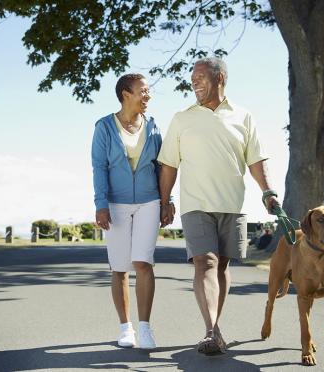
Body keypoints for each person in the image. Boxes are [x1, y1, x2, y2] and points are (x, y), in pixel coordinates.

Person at [158, 57, 279, 355]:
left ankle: (215, 328)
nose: (193, 82)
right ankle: (210, 330)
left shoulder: (243, 116)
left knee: (222, 264)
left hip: (232, 204)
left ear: (220, 77)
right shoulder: (181, 118)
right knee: (206, 262)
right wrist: (165, 201)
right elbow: (169, 165)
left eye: (200, 76)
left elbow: (256, 159)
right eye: (192, 77)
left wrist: (268, 191)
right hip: (195, 204)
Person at [91, 73, 163, 349]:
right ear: (125, 94)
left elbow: (161, 167)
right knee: (120, 268)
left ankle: (145, 327)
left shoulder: (154, 127)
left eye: (148, 92)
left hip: (149, 201)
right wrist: (101, 204)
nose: (148, 96)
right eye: (142, 91)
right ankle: (126, 327)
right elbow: (99, 167)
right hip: (116, 204)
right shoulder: (104, 127)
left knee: (143, 262)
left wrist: (166, 201)